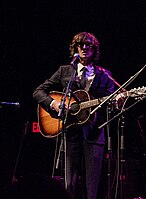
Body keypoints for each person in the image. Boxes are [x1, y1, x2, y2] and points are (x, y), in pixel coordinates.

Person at [33, 32, 115, 199]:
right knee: (68, 184)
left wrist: (118, 101)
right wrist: (53, 103)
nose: (84, 48)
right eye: (80, 45)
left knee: (92, 187)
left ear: (95, 49)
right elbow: (38, 91)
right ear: (75, 48)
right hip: (69, 133)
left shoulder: (104, 74)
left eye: (88, 45)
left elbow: (111, 103)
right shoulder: (65, 70)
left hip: (93, 133)